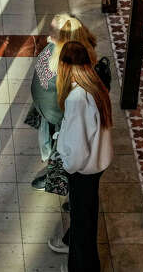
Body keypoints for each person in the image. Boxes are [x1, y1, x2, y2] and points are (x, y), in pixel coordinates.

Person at [55, 41, 114, 272]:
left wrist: (68, 165)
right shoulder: (96, 86)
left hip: (83, 170)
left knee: (81, 226)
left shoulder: (77, 99)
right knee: (87, 219)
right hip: (98, 164)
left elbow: (78, 148)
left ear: (66, 66)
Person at [28, 14, 99, 190]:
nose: (48, 34)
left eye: (53, 31)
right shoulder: (56, 47)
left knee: (62, 153)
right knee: (54, 148)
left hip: (62, 119)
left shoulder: (72, 63)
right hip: (49, 112)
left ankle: (62, 185)